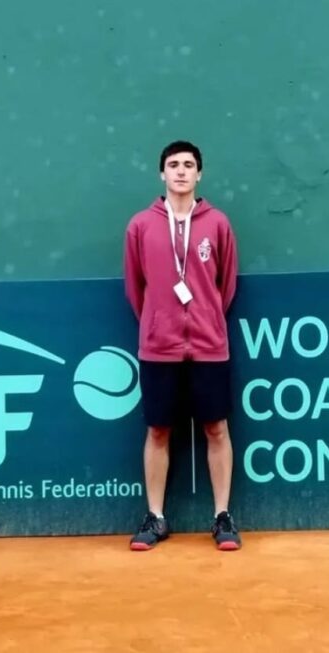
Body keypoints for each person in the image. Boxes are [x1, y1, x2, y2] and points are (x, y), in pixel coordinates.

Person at [123, 140, 241, 551]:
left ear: (199, 174)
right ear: (162, 173)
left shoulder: (218, 224)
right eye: (173, 164)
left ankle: (222, 516)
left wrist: (206, 318)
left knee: (217, 428)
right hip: (159, 347)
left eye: (189, 165)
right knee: (158, 430)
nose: (180, 171)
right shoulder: (140, 225)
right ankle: (155, 518)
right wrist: (159, 322)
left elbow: (226, 285)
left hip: (209, 345)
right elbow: (135, 287)